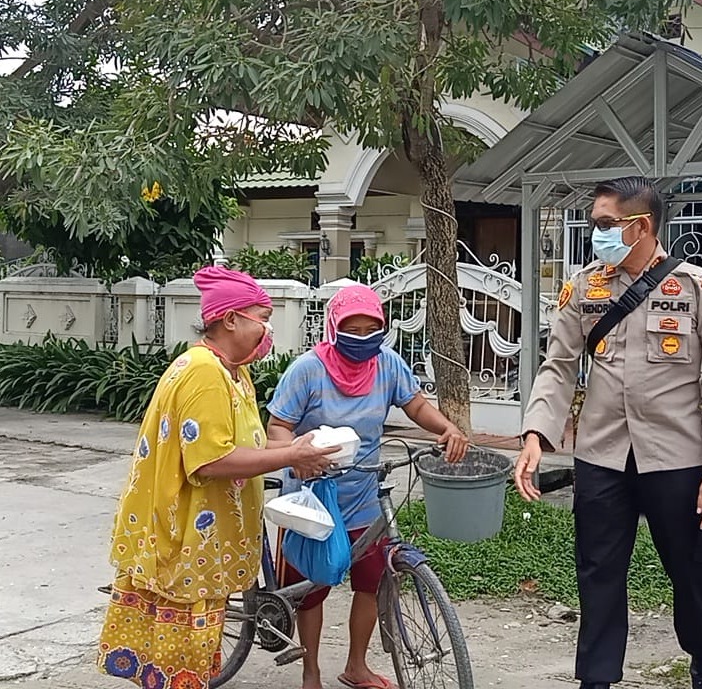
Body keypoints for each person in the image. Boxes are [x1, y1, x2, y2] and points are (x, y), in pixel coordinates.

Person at [513, 177, 702, 689]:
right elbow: (558, 367)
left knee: (691, 570)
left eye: (604, 225)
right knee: (598, 572)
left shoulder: (700, 290)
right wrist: (535, 435)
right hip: (603, 454)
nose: (596, 235)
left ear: (640, 227)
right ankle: (596, 679)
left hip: (678, 458)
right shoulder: (584, 287)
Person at [97, 266, 339, 689]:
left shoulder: (233, 371)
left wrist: (297, 453)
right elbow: (210, 461)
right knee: (180, 665)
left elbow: (247, 442)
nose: (267, 331)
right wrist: (288, 455)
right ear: (230, 319)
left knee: (193, 658)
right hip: (186, 540)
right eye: (262, 319)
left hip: (206, 544)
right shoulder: (203, 373)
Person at [266, 284, 469, 689]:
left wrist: (446, 427)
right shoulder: (307, 370)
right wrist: (295, 456)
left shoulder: (388, 364)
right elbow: (277, 427)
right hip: (312, 499)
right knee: (312, 589)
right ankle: (311, 672)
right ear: (333, 327)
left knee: (371, 580)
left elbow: (415, 405)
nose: (362, 338)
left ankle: (356, 665)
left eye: (370, 329)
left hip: (365, 494)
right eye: (351, 329)